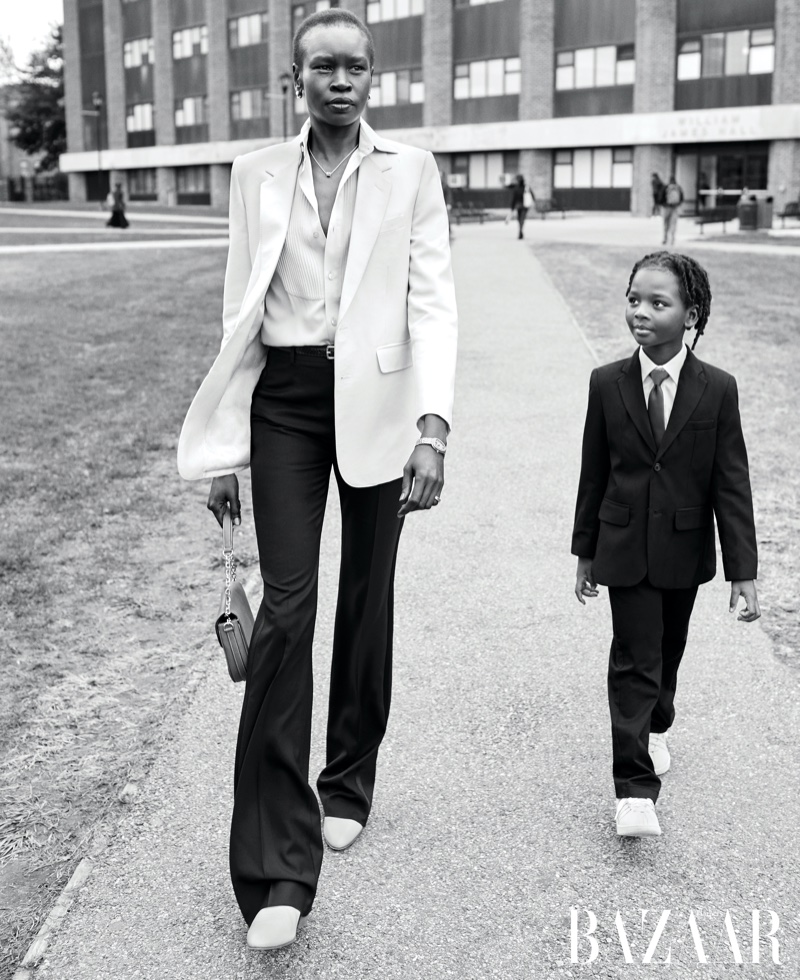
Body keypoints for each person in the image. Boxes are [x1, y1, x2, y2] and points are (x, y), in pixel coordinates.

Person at [177, 8, 457, 952]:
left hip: (378, 401)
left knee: (366, 597)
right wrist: (221, 451)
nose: (342, 81)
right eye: (324, 67)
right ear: (294, 78)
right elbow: (236, 310)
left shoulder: (409, 170)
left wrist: (435, 425)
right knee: (288, 612)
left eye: (357, 68)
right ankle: (276, 871)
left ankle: (348, 779)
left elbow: (433, 301)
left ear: (373, 79)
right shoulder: (254, 173)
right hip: (287, 402)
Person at [571, 251, 759, 839]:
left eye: (658, 303)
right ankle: (633, 791)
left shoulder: (717, 389)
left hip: (683, 549)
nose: (641, 312)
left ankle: (656, 725)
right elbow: (593, 474)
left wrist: (742, 571)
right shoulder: (607, 383)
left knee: (666, 653)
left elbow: (731, 483)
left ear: (691, 315)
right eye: (634, 299)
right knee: (633, 658)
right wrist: (585, 552)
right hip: (623, 546)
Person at [661, 174, 683, 246]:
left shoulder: (666, 187)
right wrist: (677, 204)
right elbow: (682, 198)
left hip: (667, 208)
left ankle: (665, 238)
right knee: (673, 224)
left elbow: (661, 197)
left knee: (666, 223)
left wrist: (664, 204)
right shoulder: (678, 188)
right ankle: (672, 239)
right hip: (675, 208)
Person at [509, 174, 534, 239]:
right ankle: (520, 231)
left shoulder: (517, 188)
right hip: (525, 205)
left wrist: (512, 207)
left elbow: (514, 199)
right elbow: (533, 196)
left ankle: (520, 231)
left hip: (519, 205)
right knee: (521, 219)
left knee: (520, 219)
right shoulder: (526, 187)